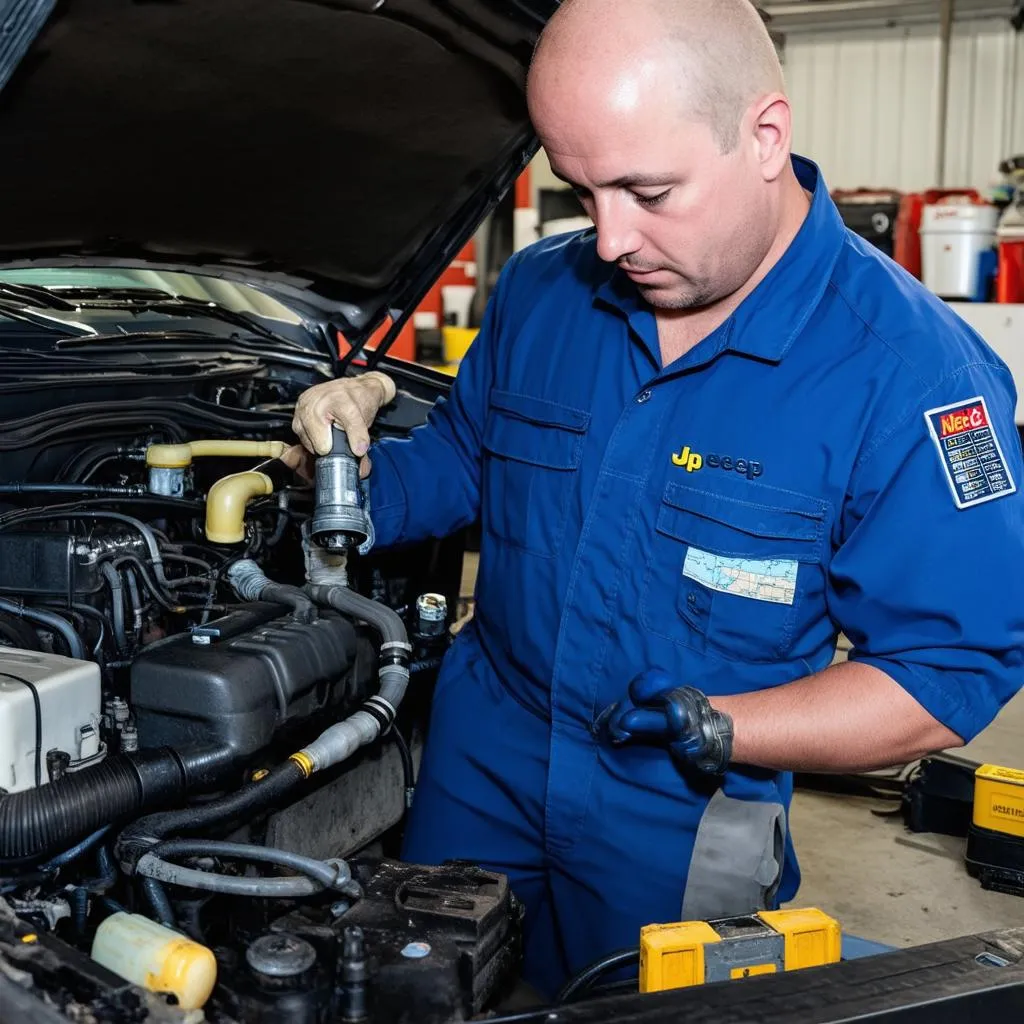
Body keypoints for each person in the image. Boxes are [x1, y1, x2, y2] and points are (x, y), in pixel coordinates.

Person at [291, 0, 1024, 998]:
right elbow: (464, 458)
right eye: (580, 190)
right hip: (481, 761)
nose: (607, 239)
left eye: (647, 189)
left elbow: (943, 669)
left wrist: (728, 727)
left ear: (764, 136)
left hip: (685, 811)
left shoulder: (913, 379)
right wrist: (348, 471)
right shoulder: (545, 293)